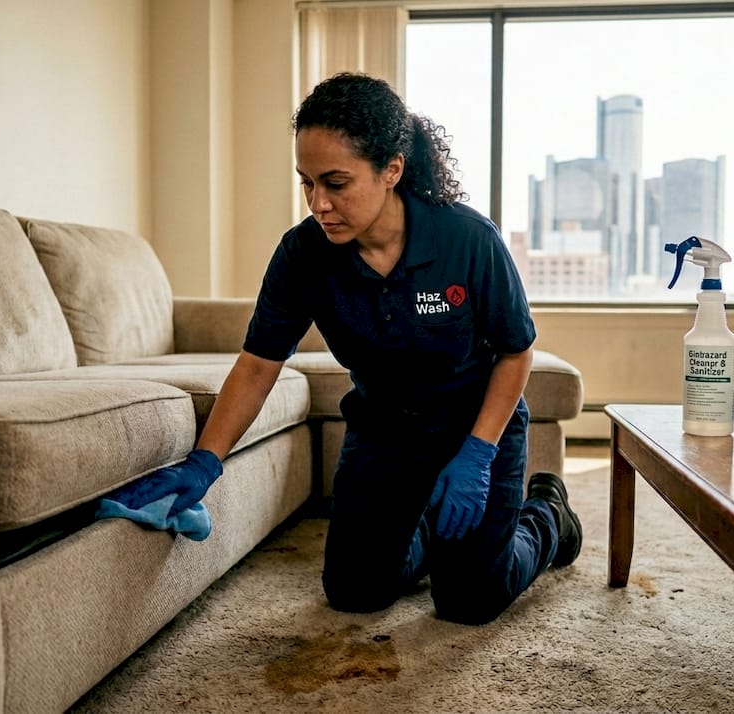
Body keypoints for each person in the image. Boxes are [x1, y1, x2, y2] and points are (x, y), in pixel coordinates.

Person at [101, 72, 582, 626]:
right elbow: (259, 365)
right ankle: (428, 527)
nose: (319, 204)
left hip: (473, 431)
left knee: (470, 600)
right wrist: (206, 461)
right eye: (306, 183)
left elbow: (515, 351)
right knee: (355, 590)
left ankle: (547, 513)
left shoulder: (467, 240)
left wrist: (477, 453)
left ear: (391, 170)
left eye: (335, 183)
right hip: (384, 431)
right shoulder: (303, 255)